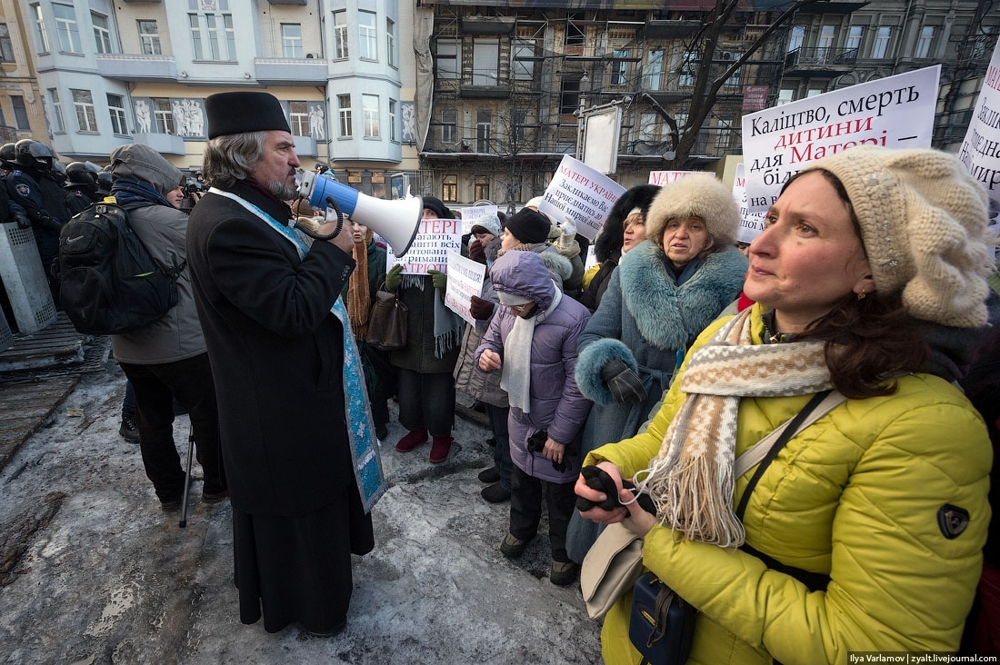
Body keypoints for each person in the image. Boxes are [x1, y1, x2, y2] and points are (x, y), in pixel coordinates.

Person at [575, 146, 994, 663]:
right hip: (648, 633)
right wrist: (615, 465)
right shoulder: (729, 336)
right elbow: (663, 435)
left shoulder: (927, 426)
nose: (761, 243)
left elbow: (882, 647)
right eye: (772, 216)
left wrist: (662, 544)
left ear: (874, 268)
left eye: (805, 228)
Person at [185, 91, 379, 636]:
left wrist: (315, 239)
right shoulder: (228, 225)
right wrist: (335, 249)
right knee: (300, 515)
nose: (297, 160)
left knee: (310, 507)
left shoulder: (243, 209)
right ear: (245, 155)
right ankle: (314, 609)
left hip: (287, 398)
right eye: (284, 148)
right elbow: (291, 309)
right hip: (277, 412)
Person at [567, 174, 748, 563]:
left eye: (694, 226)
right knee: (605, 491)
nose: (680, 235)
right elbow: (592, 334)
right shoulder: (628, 272)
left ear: (713, 234)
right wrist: (609, 364)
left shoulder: (738, 287)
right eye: (672, 224)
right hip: (617, 410)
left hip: (683, 418)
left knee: (655, 511)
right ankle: (589, 564)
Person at [103, 144, 227, 508]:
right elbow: (212, 258)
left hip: (128, 347)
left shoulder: (103, 217)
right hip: (182, 345)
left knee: (151, 420)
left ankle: (169, 492)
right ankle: (217, 485)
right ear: (153, 179)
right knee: (208, 417)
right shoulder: (171, 222)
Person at [476, 250, 593, 586]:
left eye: (518, 304)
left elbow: (578, 385)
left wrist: (560, 435)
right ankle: (520, 530)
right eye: (507, 303)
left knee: (559, 497)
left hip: (555, 425)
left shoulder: (573, 318)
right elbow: (489, 340)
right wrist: (486, 355)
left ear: (537, 295)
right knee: (521, 482)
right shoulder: (508, 310)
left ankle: (563, 553)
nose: (511, 310)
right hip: (520, 415)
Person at [386, 196, 465, 463]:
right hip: (407, 335)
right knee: (408, 392)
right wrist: (389, 284)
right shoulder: (399, 246)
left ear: (442, 220)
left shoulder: (457, 250)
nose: (426, 219)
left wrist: (451, 285)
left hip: (440, 338)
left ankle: (442, 436)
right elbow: (382, 293)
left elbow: (471, 296)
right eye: (422, 214)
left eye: (431, 214)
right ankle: (416, 430)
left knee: (439, 394)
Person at [452, 213, 512, 503]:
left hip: (503, 358)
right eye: (475, 236)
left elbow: (512, 311)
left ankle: (510, 479)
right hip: (485, 347)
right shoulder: (490, 260)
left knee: (506, 426)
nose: (480, 241)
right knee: (497, 424)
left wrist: (489, 312)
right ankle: (501, 467)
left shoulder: (510, 264)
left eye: (484, 235)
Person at [342, 217, 393, 440]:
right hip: (345, 329)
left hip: (373, 330)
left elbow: (388, 295)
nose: (356, 229)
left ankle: (379, 420)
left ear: (370, 228)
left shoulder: (381, 258)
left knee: (375, 379)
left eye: (361, 224)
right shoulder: (338, 255)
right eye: (351, 224)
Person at [578, 184, 660, 313]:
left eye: (639, 223)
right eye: (626, 224)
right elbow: (586, 305)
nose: (628, 230)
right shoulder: (610, 265)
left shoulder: (664, 271)